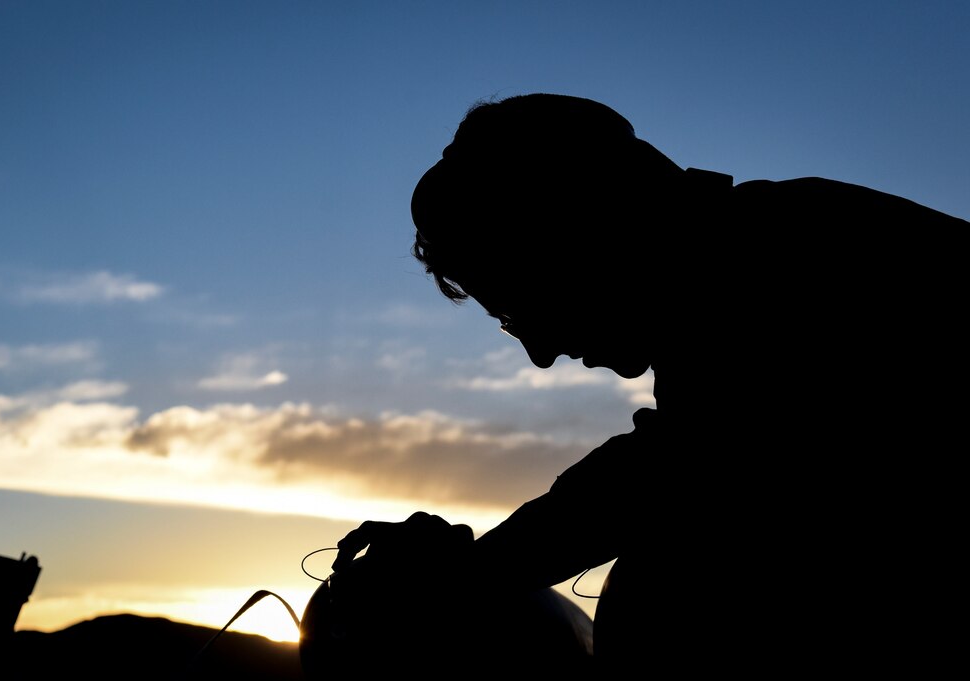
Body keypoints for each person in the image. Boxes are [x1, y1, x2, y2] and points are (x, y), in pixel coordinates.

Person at [332, 93, 968, 677]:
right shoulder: (764, 256)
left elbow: (679, 465)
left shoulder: (797, 260)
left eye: (521, 304)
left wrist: (458, 579)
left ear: (579, 231)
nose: (541, 352)